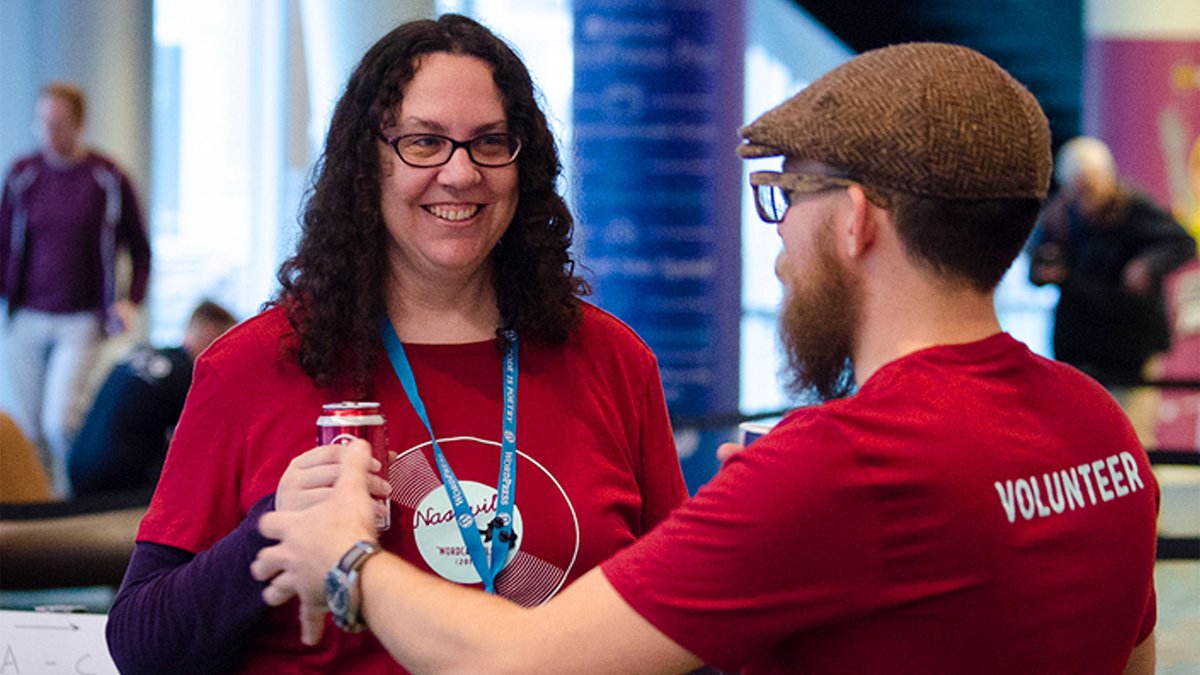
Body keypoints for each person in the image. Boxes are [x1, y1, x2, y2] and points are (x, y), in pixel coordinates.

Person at [251, 43, 1160, 674]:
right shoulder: (1098, 424)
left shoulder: (843, 462)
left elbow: (516, 658)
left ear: (854, 220)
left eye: (786, 195)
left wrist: (347, 562)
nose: (777, 246)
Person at [105, 14, 687, 674]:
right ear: (368, 161)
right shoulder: (252, 366)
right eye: (424, 142)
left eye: (490, 142)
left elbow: (685, 623)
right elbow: (140, 646)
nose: (461, 173)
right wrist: (274, 528)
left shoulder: (613, 362)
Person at [0, 81, 152, 500]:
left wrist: (129, 300)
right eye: (43, 123)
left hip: (81, 319)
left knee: (59, 420)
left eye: (59, 123)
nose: (50, 132)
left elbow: (140, 249)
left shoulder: (106, 177)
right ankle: (36, 513)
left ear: (79, 124)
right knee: (28, 429)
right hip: (27, 316)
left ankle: (73, 505)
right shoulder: (22, 175)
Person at [1027, 136, 1196, 387]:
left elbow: (1183, 243)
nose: (1085, 201)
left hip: (1131, 343)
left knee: (1130, 422)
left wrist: (1147, 265)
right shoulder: (1059, 215)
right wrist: (1045, 271)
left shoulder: (1134, 208)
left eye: (1090, 188)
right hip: (1080, 344)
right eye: (1078, 191)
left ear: (1107, 179)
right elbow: (1036, 267)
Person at [68, 300, 237, 498]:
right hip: (118, 486)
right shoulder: (187, 376)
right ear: (210, 334)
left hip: (76, 470)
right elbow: (206, 445)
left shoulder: (139, 353)